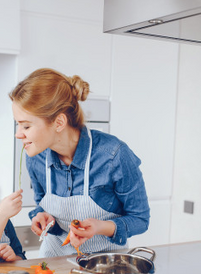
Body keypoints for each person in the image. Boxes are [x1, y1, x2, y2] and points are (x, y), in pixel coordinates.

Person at [10, 68, 150, 258]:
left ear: (59, 123)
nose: (18, 134)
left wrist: (100, 227)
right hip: (54, 260)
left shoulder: (114, 155)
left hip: (104, 265)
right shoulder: (36, 158)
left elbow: (140, 219)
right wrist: (41, 217)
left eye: (26, 126)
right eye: (18, 124)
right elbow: (41, 204)